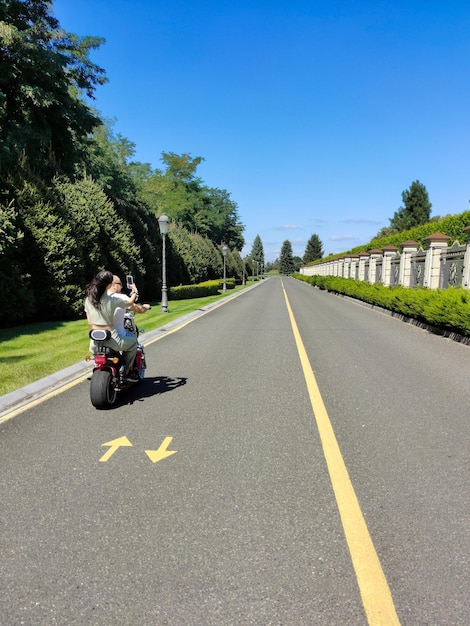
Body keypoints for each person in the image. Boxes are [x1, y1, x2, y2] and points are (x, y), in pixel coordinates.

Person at [85, 270, 141, 382]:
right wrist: (134, 291)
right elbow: (130, 303)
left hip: (94, 344)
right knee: (134, 342)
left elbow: (90, 322)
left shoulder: (88, 299)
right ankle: (128, 371)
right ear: (110, 285)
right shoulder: (113, 300)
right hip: (113, 341)